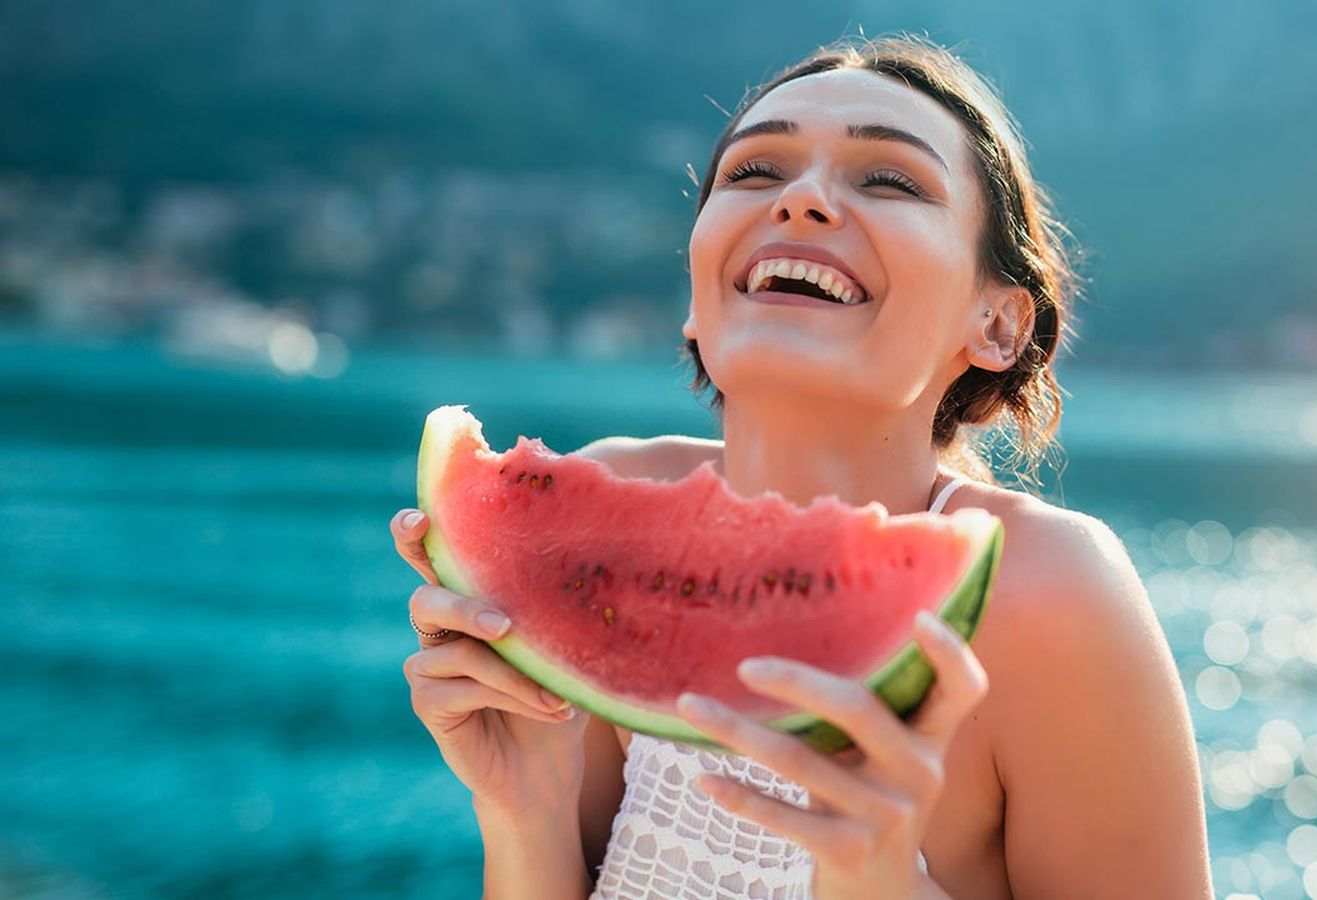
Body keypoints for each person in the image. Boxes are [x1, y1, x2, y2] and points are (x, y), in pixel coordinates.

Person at [393, 33, 1212, 899]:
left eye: (889, 180)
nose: (802, 200)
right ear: (698, 292)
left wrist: (879, 883)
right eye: (754, 173)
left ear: (1000, 325)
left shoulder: (1047, 593)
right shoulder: (612, 522)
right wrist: (525, 814)